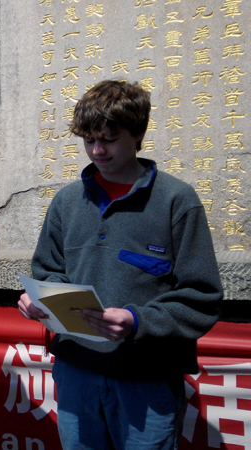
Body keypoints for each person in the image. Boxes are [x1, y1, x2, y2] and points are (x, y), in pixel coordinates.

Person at [18, 79, 223, 450]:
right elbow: (48, 270)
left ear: (138, 133)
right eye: (89, 140)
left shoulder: (176, 201)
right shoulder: (67, 201)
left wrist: (137, 320)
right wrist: (40, 301)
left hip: (146, 378)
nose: (97, 151)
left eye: (109, 139)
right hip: (76, 372)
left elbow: (201, 296)